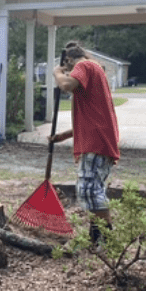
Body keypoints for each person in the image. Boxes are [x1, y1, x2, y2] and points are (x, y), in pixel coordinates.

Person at [50, 41, 120, 247]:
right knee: (93, 189)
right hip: (101, 139)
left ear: (69, 60)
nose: (68, 71)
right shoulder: (94, 69)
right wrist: (63, 136)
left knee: (89, 189)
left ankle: (106, 239)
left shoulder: (84, 66)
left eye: (66, 67)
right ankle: (96, 237)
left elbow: (66, 85)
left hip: (96, 143)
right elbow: (92, 116)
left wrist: (57, 72)